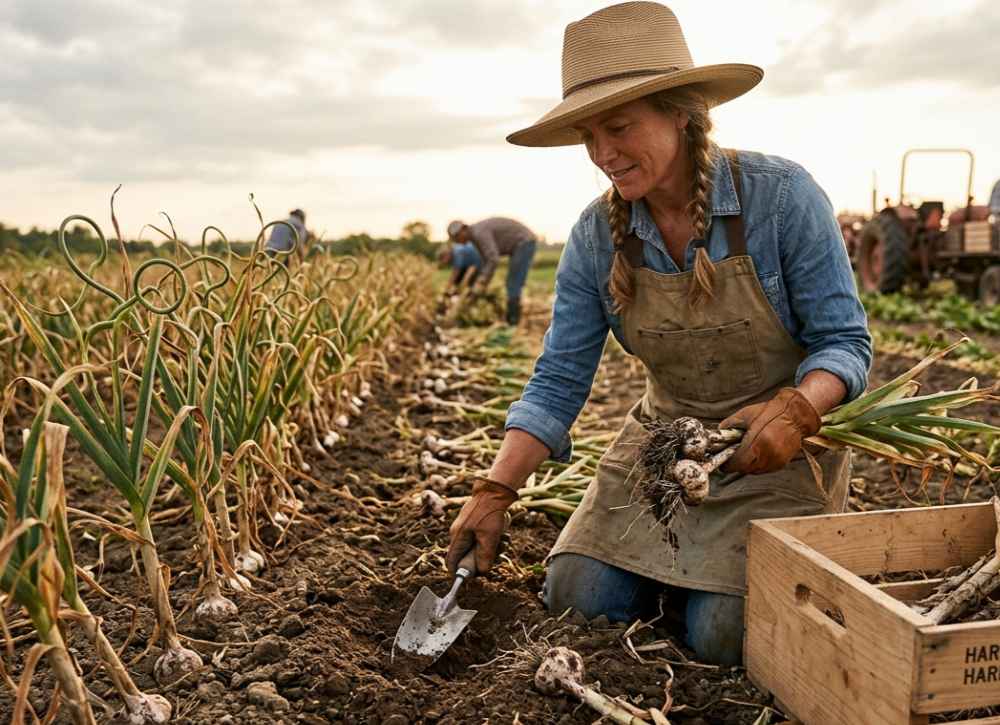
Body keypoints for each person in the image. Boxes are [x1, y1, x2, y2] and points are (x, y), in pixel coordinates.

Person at [443, 1, 872, 666]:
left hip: (773, 455)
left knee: (724, 634)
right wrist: (495, 489)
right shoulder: (596, 236)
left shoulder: (782, 198)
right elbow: (559, 378)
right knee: (574, 594)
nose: (602, 154)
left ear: (682, 112)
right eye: (589, 135)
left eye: (618, 127)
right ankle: (676, 581)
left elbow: (845, 342)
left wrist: (798, 407)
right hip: (664, 444)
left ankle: (695, 592)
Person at [446, 218, 537, 325]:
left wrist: (482, 281)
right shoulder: (475, 238)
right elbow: (485, 261)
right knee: (512, 283)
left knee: (513, 283)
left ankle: (513, 321)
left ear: (463, 229)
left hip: (524, 242)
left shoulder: (479, 233)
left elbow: (493, 258)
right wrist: (481, 282)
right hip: (520, 244)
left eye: (456, 237)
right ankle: (512, 319)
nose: (457, 242)